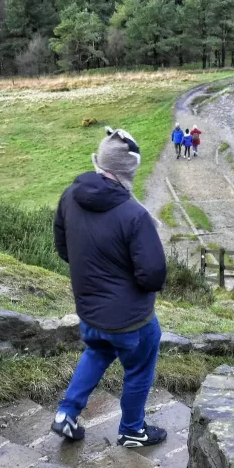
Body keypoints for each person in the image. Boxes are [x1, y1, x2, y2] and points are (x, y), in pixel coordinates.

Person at [52, 127, 169, 448]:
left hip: (90, 311)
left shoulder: (69, 196)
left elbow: (64, 250)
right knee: (139, 369)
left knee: (97, 351)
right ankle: (132, 429)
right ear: (129, 169)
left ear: (100, 161)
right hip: (132, 319)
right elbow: (154, 275)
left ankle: (66, 413)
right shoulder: (134, 215)